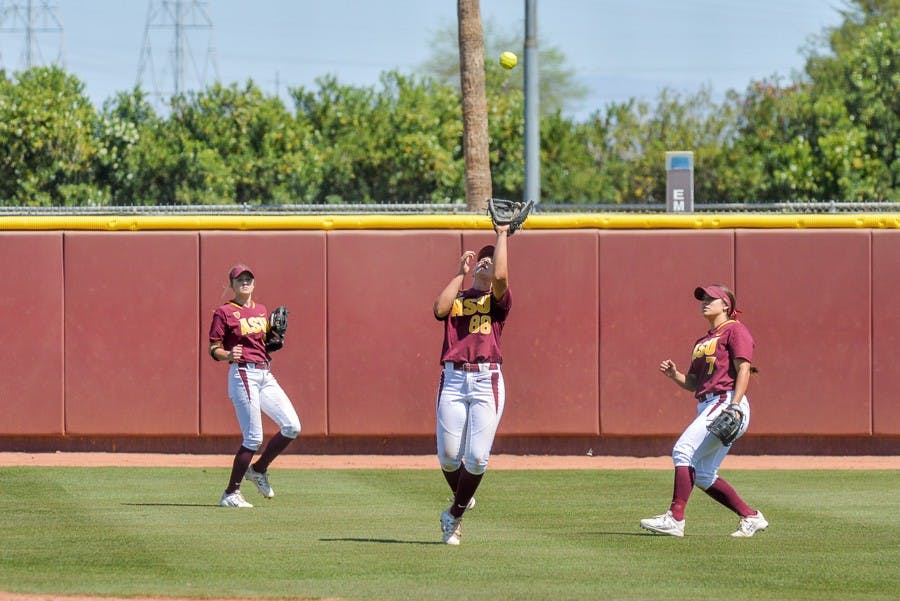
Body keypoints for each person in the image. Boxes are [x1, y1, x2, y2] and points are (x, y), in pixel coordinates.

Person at [640, 284, 768, 537]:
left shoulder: (735, 330)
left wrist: (734, 405)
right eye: (703, 298)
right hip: (708, 403)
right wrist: (674, 374)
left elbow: (743, 369)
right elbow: (694, 384)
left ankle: (675, 519)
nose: (705, 301)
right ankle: (751, 516)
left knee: (683, 450)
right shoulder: (702, 342)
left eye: (712, 298)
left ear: (726, 306)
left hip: (726, 400)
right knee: (704, 474)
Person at [432, 224, 512, 545]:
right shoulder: (460, 296)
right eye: (482, 258)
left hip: (486, 378)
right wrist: (459, 274)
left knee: (477, 458)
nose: (485, 262)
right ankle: (464, 497)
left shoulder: (497, 300)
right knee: (449, 458)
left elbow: (503, 279)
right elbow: (439, 309)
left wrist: (502, 236)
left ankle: (455, 514)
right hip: (452, 377)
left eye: (490, 260)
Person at [207, 264, 302, 508]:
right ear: (232, 285)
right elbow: (213, 349)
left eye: (248, 279)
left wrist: (274, 339)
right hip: (242, 374)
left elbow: (264, 345)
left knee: (292, 426)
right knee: (253, 437)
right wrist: (228, 354)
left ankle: (258, 470)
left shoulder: (261, 310)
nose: (245, 283)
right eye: (239, 280)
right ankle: (230, 494)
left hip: (265, 373)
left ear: (254, 283)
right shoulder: (224, 312)